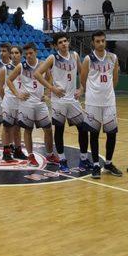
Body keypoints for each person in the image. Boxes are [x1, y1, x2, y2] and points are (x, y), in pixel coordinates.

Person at [35, 33, 91, 173]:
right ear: (56, 45)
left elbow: (82, 72)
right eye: (60, 42)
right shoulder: (53, 58)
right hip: (59, 100)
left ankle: (83, 160)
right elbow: (37, 74)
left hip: (73, 99)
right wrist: (52, 88)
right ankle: (62, 161)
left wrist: (82, 88)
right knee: (59, 130)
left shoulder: (75, 56)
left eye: (65, 41)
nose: (64, 44)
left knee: (83, 129)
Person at [80, 30, 123, 179]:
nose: (100, 43)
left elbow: (115, 79)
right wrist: (93, 93)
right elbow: (83, 80)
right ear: (93, 42)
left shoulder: (113, 57)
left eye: (103, 41)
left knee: (112, 133)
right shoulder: (88, 59)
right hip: (93, 102)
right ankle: (96, 165)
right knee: (94, 133)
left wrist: (107, 92)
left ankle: (109, 163)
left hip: (109, 101)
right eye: (97, 41)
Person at [7, 43, 54, 166]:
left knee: (48, 129)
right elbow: (9, 80)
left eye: (30, 53)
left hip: (40, 103)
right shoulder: (20, 67)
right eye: (26, 54)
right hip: (27, 103)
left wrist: (47, 93)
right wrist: (17, 94)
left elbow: (50, 78)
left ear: (36, 52)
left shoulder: (43, 64)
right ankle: (31, 156)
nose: (28, 56)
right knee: (28, 130)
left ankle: (50, 155)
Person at [0, 46, 22, 162]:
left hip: (21, 102)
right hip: (9, 101)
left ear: (21, 54)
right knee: (7, 127)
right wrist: (5, 99)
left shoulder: (25, 68)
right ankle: (6, 152)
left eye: (17, 53)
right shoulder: (5, 69)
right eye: (12, 53)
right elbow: (0, 87)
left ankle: (18, 150)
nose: (14, 55)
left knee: (17, 128)